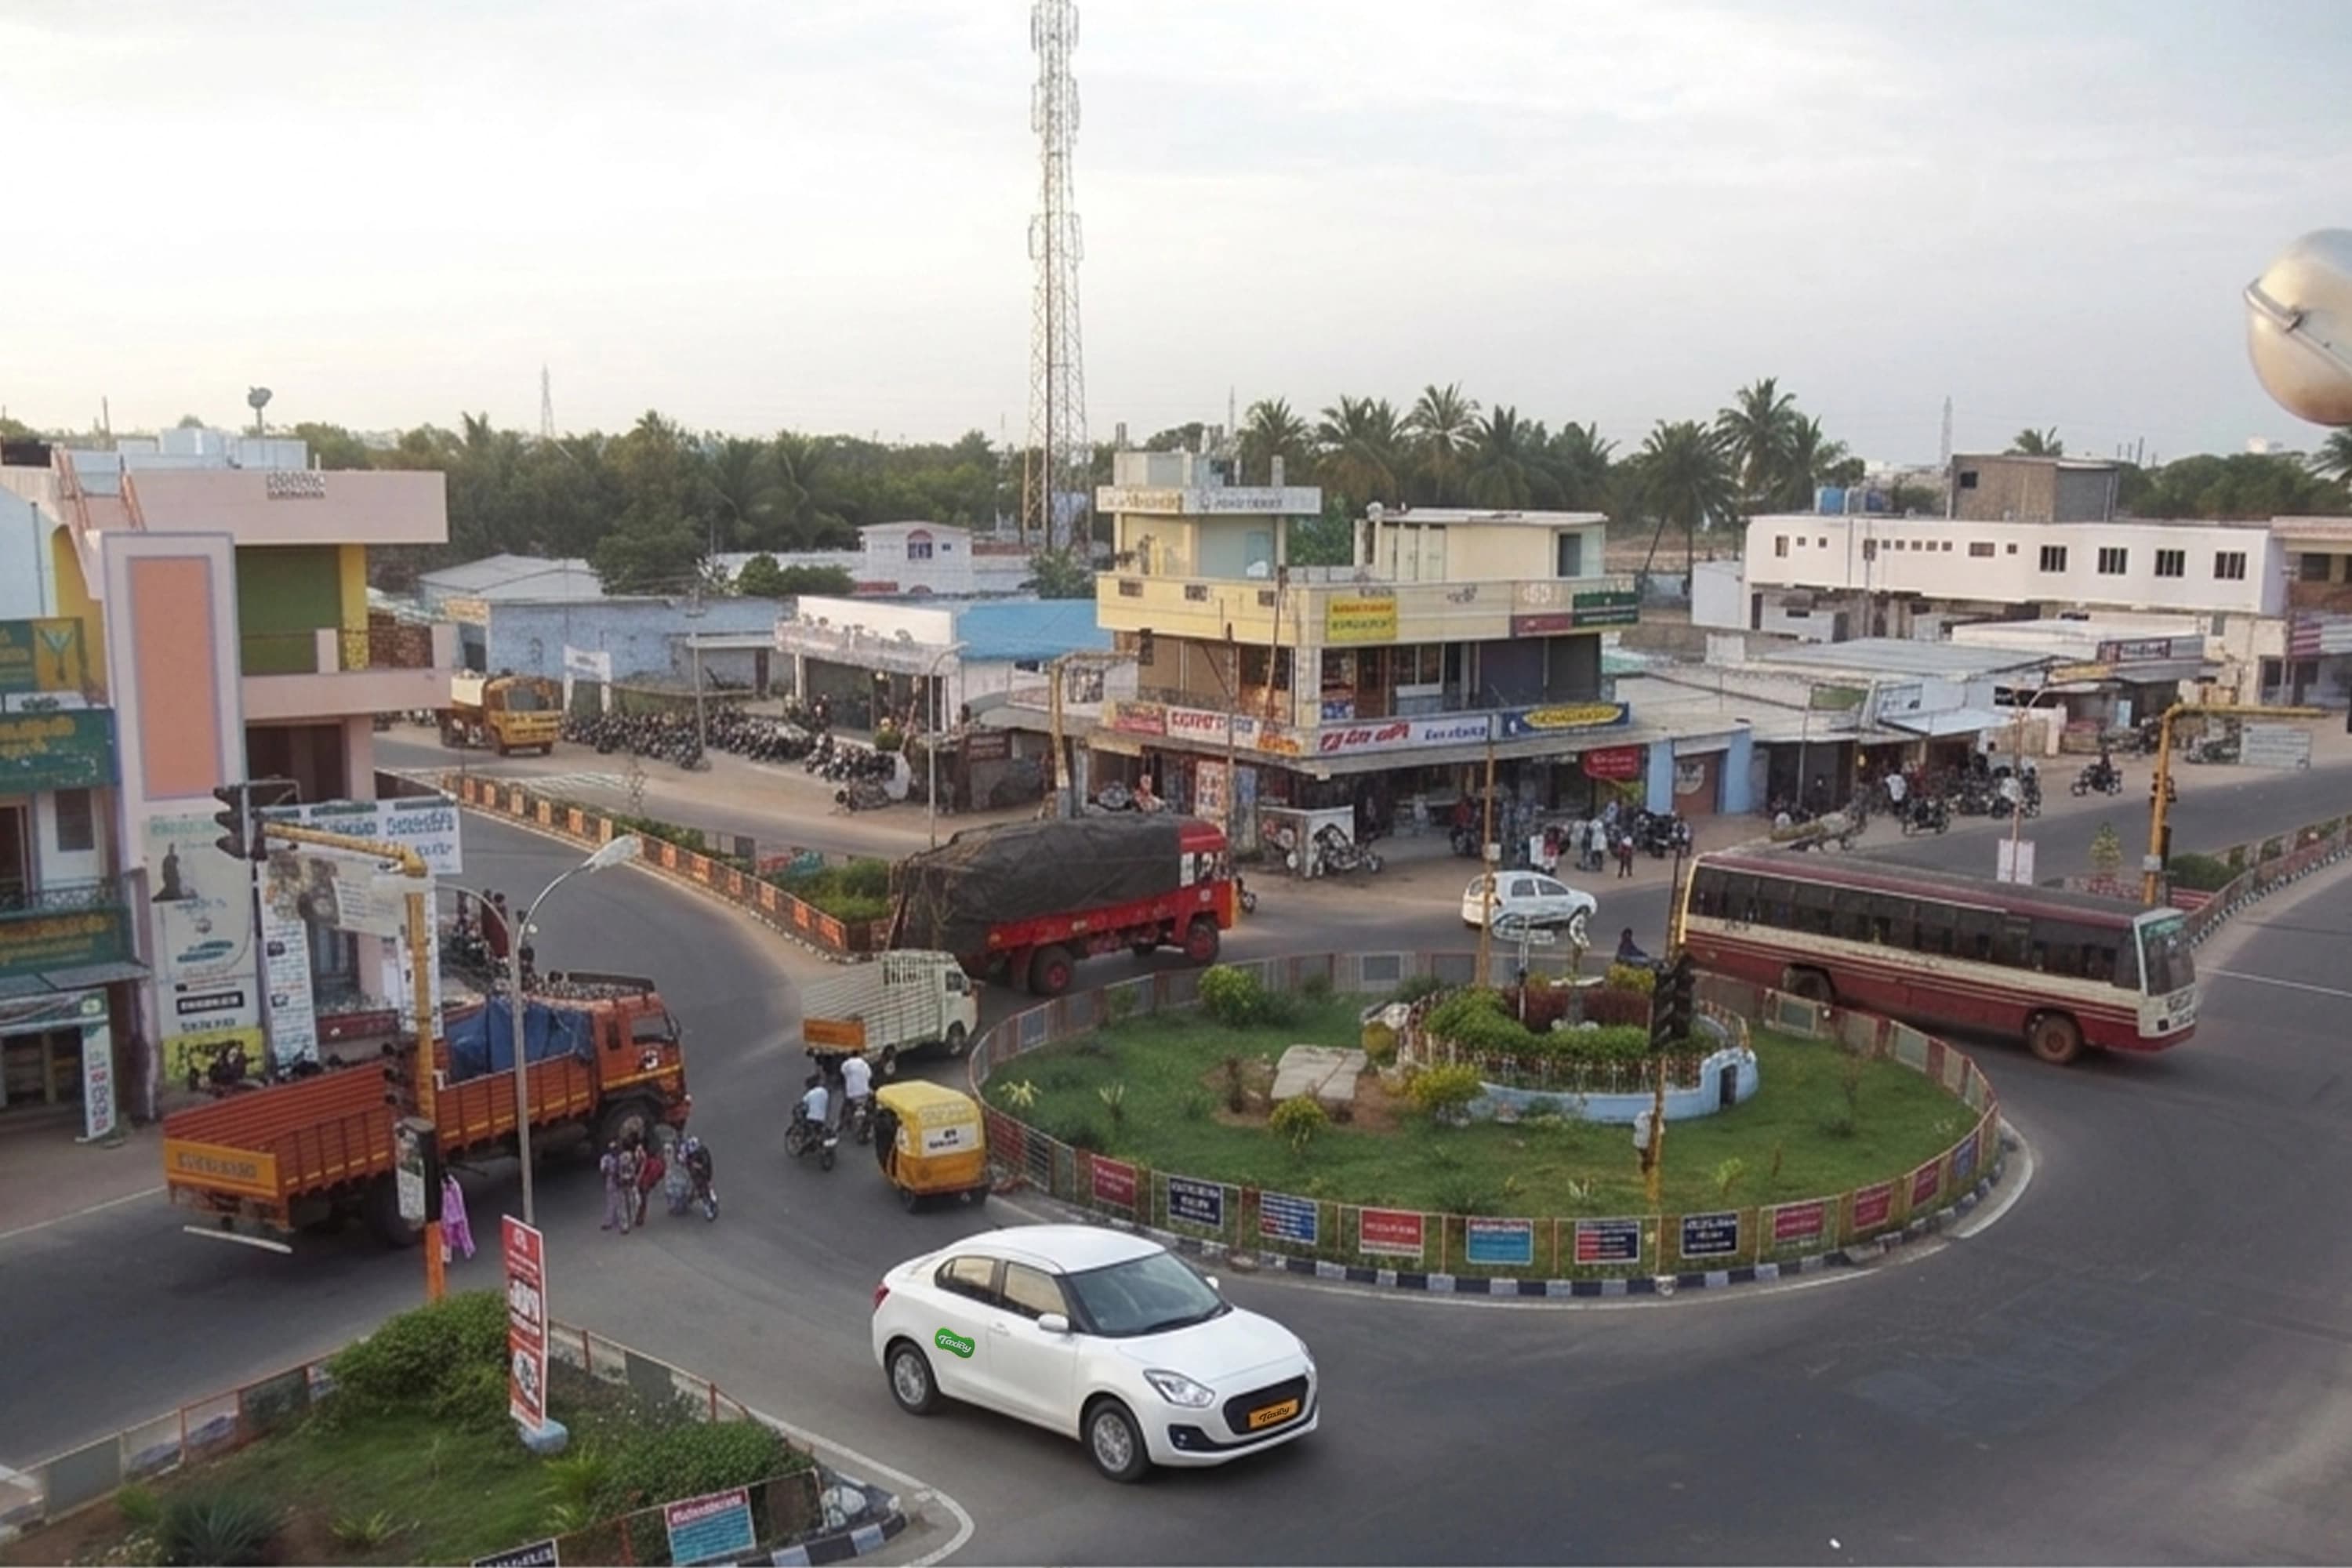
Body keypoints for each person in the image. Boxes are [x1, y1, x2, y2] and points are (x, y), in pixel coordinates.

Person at [838, 1050, 873, 1134]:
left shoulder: (846, 1064)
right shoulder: (864, 1064)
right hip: (864, 1093)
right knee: (872, 1106)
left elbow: (843, 1072)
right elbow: (869, 1076)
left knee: (845, 1107)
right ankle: (871, 1124)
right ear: (859, 1054)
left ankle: (842, 1123)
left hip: (851, 1094)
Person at [599, 1141, 628, 1232]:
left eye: (615, 1149)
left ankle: (624, 1225)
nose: (614, 1151)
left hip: (620, 1182)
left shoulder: (622, 1158)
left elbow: (627, 1169)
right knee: (611, 1203)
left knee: (621, 1204)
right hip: (611, 1182)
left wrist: (622, 1178)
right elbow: (603, 1171)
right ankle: (609, 1222)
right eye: (612, 1149)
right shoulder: (606, 1159)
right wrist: (610, 1172)